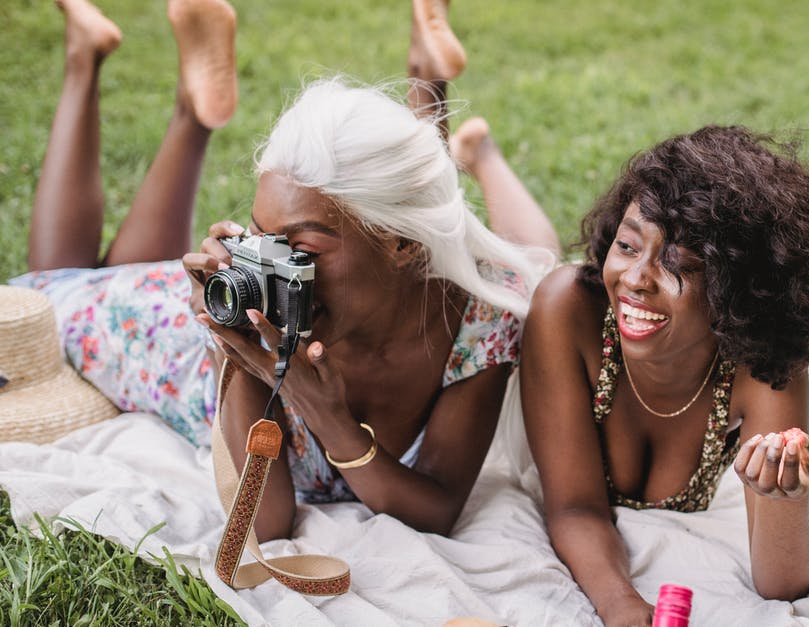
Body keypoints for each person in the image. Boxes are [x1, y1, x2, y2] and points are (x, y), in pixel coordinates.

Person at [13, 0, 557, 540]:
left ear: (403, 243)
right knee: (43, 295)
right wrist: (234, 352)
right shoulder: (251, 317)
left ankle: (155, 92)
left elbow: (434, 509)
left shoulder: (478, 321)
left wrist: (327, 416)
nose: (278, 270)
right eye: (262, 240)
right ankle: (103, 69)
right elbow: (264, 521)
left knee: (68, 271)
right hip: (169, 339)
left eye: (303, 249)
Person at [518, 125, 809, 625]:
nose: (637, 279)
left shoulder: (764, 363)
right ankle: (481, 154)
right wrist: (621, 605)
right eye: (628, 245)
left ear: (737, 289)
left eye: (676, 261)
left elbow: (782, 583)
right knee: (528, 260)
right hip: (528, 314)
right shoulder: (567, 311)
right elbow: (574, 508)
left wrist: (786, 499)